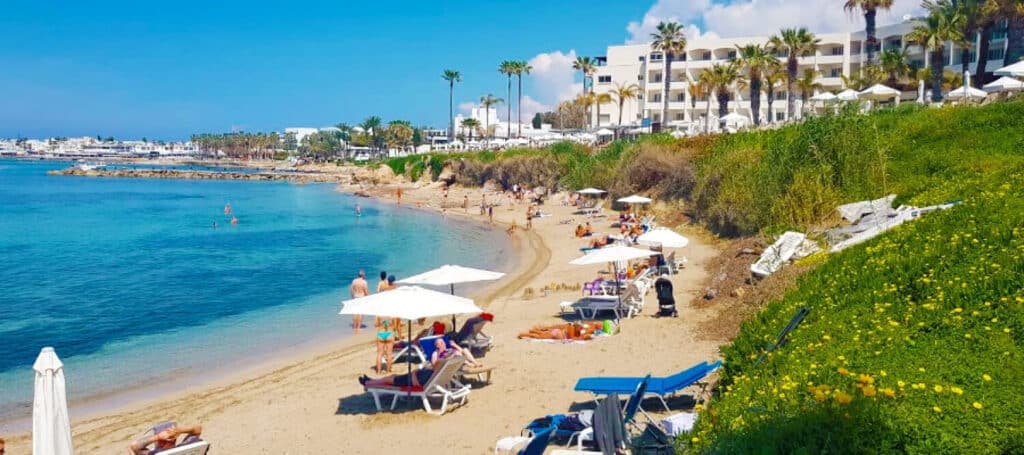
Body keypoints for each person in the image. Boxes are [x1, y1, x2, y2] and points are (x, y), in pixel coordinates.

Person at [129, 422, 203, 455]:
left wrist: (156, 437)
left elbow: (133, 447)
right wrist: (180, 430)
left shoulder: (154, 453)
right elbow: (198, 429)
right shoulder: (187, 446)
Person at [518, 321, 604, 341]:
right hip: (557, 334)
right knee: (540, 337)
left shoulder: (574, 328)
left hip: (557, 332)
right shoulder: (572, 329)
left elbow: (579, 335)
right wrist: (584, 338)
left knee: (542, 334)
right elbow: (573, 338)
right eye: (580, 328)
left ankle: (532, 331)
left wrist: (586, 335)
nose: (581, 329)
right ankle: (523, 334)